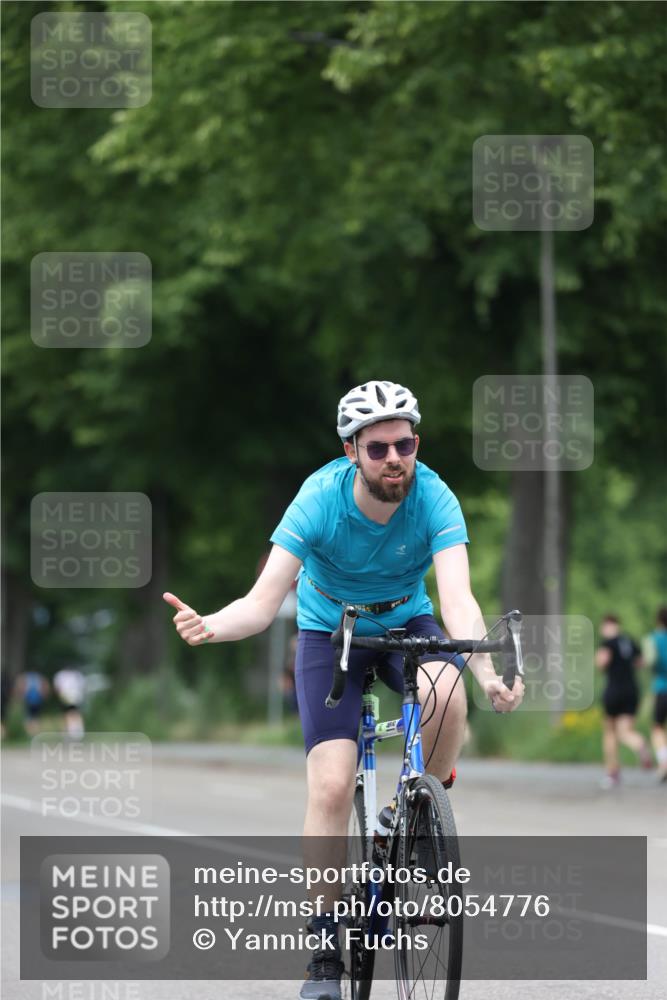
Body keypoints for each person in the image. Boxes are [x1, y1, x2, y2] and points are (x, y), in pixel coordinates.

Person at [164, 379, 524, 1000]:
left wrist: (487, 671)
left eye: (404, 445)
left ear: (417, 444)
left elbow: (458, 598)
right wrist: (210, 627)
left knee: (448, 688)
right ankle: (325, 950)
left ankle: (415, 816)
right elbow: (260, 603)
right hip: (331, 632)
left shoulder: (434, 495)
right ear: (352, 450)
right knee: (331, 782)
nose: (394, 460)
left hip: (406, 617)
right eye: (378, 448)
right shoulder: (317, 500)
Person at [595, 613, 652, 789]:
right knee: (625, 730)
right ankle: (639, 743)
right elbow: (641, 662)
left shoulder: (607, 643)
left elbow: (601, 662)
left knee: (610, 732)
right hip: (632, 691)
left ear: (607, 626)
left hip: (614, 690)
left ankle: (612, 772)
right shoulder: (629, 641)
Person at [644, 606, 667, 783]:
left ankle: (664, 761)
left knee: (657, 727)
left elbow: (650, 662)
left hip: (661, 687)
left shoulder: (654, 638)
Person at [53, 667, 86, 739]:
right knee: (73, 714)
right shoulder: (76, 675)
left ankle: (72, 733)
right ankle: (73, 733)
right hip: (71, 697)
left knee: (69, 715)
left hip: (70, 697)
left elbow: (57, 688)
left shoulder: (61, 675)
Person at [15, 671, 49, 737]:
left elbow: (21, 687)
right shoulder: (39, 678)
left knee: (29, 718)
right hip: (37, 700)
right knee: (36, 718)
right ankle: (35, 734)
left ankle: (30, 734)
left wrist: (20, 696)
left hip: (29, 700)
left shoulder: (26, 677)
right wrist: (44, 695)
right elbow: (45, 686)